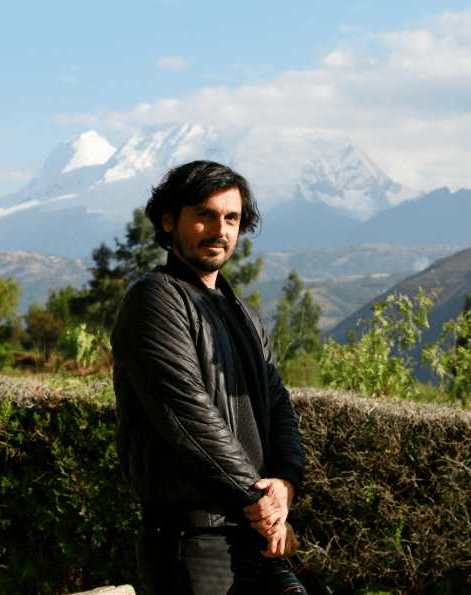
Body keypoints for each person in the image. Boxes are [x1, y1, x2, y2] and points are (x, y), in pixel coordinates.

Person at [112, 160, 307, 594]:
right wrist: (263, 505)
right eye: (205, 214)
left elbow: (279, 406)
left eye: (232, 218)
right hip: (191, 542)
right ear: (168, 220)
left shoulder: (244, 313)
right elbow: (186, 416)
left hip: (252, 534)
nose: (220, 229)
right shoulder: (155, 299)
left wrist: (287, 485)